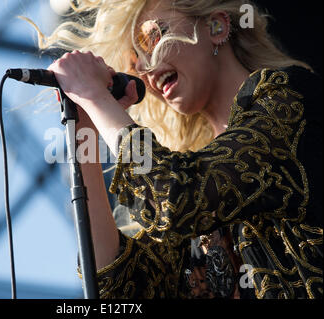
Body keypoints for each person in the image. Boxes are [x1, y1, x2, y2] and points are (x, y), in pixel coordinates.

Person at [31, 0, 323, 298]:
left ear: (217, 26)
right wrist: (85, 126)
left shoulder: (288, 98)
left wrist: (96, 97)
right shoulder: (193, 181)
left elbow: (173, 196)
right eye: (134, 62)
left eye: (151, 37)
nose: (144, 67)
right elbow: (119, 289)